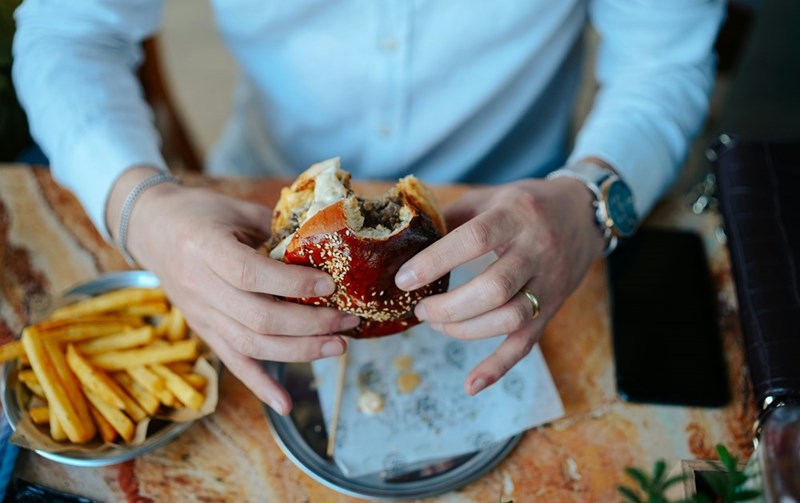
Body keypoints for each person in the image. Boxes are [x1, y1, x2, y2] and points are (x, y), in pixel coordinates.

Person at [12, 1, 725, 415]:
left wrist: (593, 197)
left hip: (531, 230)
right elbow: (70, 31)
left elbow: (665, 58)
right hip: (248, 224)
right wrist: (141, 210)